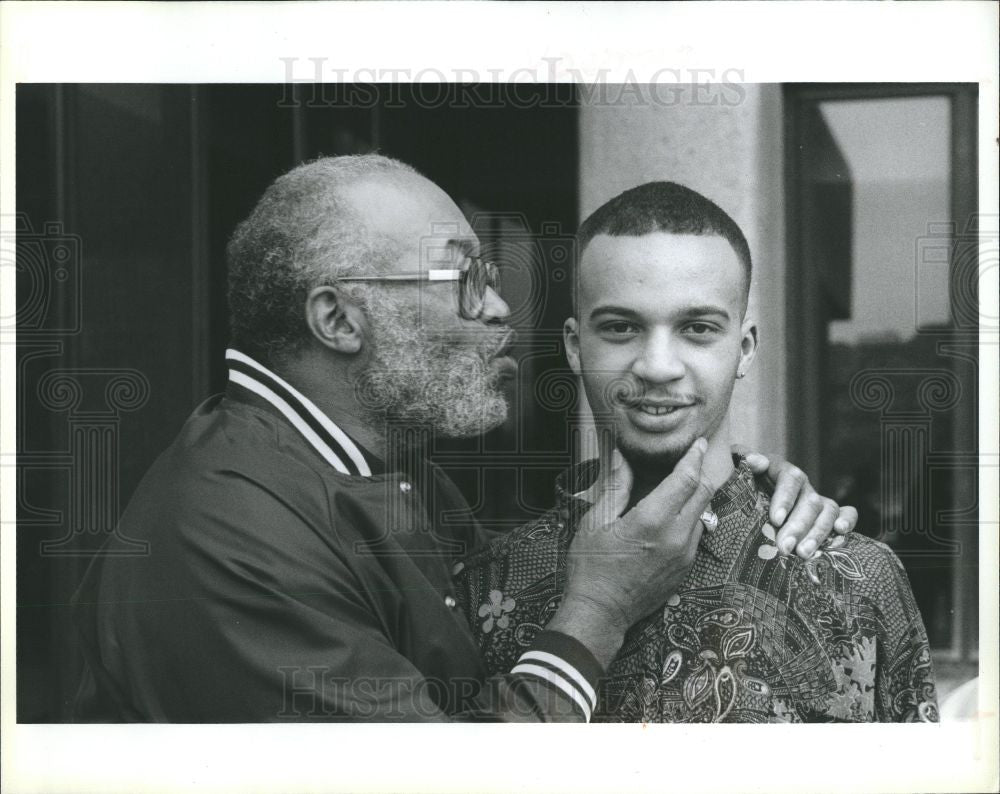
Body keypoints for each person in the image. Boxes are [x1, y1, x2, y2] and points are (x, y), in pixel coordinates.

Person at [72, 155, 854, 722]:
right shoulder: (228, 538)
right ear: (339, 320)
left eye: (698, 329)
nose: (499, 311)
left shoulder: (390, 472)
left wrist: (743, 486)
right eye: (465, 279)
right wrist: (597, 610)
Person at [456, 181, 939, 722]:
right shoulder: (486, 585)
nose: (658, 366)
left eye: (697, 328)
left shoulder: (858, 579)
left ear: (745, 348)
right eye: (620, 327)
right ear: (574, 346)